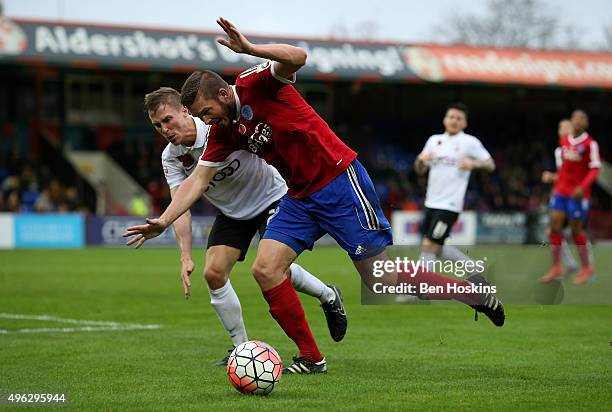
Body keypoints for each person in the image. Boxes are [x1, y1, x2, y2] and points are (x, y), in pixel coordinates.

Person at [124, 18, 505, 374]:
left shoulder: (255, 83)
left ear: (224, 94)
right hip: (299, 196)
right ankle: (311, 357)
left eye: (207, 112)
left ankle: (472, 293)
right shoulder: (222, 133)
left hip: (340, 181)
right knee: (265, 268)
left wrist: (252, 49)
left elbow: (298, 57)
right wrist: (164, 220)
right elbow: (196, 182)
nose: (207, 121)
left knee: (382, 280)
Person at [142, 87, 347, 365]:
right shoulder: (171, 157)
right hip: (233, 212)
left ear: (184, 111)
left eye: (168, 119)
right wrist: (185, 255)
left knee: (271, 268)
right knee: (213, 273)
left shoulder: (218, 124)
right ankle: (242, 351)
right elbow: (181, 206)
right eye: (157, 125)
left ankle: (327, 296)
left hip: (271, 197)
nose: (164, 129)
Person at [412, 103, 495, 277]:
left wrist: (473, 163)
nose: (454, 121)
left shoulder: (470, 142)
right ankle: (474, 268)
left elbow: (490, 164)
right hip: (431, 201)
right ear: (445, 120)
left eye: (459, 118)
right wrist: (421, 159)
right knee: (437, 246)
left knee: (430, 244)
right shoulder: (434, 141)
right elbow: (420, 169)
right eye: (451, 117)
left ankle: (419, 287)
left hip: (450, 205)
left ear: (464, 123)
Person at [541, 110, 600, 285]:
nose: (578, 121)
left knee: (576, 231)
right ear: (572, 121)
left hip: (579, 194)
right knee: (554, 227)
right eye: (576, 118)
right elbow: (564, 169)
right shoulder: (565, 141)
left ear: (586, 124)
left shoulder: (591, 144)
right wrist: (555, 183)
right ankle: (557, 266)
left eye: (583, 118)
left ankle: (586, 267)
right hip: (562, 192)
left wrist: (583, 187)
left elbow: (595, 168)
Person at [541, 119, 578, 275]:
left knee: (573, 231)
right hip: (563, 195)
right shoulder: (559, 151)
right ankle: (571, 264)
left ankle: (583, 266)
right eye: (560, 128)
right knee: (553, 232)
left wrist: (551, 177)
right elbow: (563, 176)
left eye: (567, 128)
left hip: (576, 195)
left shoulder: (577, 150)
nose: (563, 130)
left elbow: (574, 177)